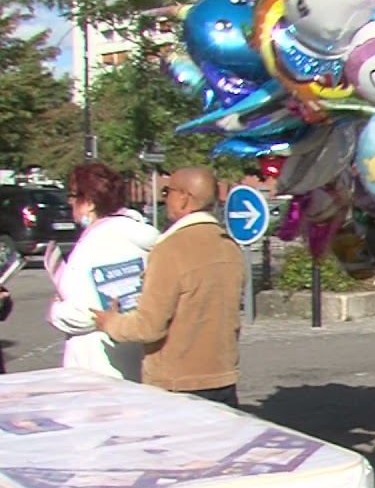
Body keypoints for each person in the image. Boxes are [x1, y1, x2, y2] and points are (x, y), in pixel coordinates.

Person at [91, 166, 245, 408]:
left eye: (167, 192)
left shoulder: (170, 249)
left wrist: (110, 322)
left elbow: (149, 326)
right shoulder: (229, 247)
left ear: (184, 197)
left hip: (177, 383)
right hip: (222, 377)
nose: (165, 199)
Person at [47, 162, 160, 381]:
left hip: (98, 363)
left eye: (72, 197)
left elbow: (85, 314)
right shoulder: (143, 236)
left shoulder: (93, 246)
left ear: (88, 203)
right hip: (137, 353)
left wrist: (56, 310)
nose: (70, 205)